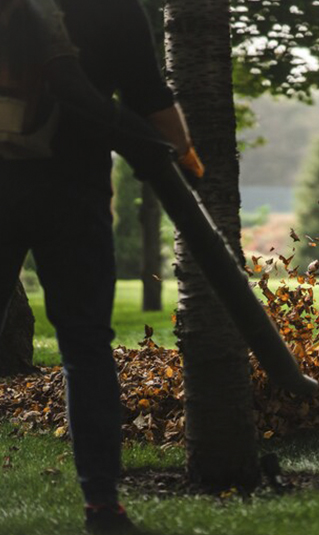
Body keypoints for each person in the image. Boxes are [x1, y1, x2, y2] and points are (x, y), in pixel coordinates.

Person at [0, 0, 202, 532]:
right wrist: (183, 155)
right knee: (85, 349)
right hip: (74, 197)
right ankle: (102, 506)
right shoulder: (112, 8)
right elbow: (149, 98)